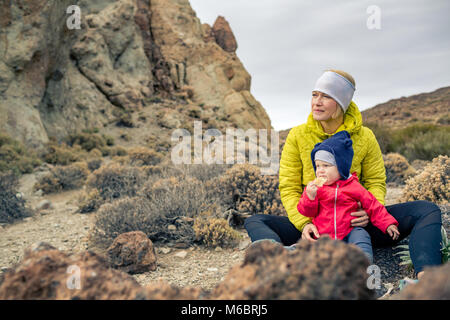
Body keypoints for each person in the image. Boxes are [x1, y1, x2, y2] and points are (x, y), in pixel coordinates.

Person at [244, 69, 442, 280]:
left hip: (356, 225)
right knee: (256, 221)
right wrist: (305, 224)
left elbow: (376, 182)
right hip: (317, 228)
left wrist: (368, 212)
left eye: (326, 96)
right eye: (314, 94)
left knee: (427, 210)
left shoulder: (365, 137)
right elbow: (289, 187)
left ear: (341, 102)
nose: (316, 102)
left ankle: (427, 279)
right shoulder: (297, 135)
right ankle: (275, 263)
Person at [297, 130, 400, 263]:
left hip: (349, 231)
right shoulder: (315, 189)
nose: (320, 170)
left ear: (341, 167)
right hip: (323, 234)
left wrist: (388, 224)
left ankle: (363, 262)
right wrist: (310, 197)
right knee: (310, 246)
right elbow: (306, 212)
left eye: (326, 165)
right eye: (317, 166)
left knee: (361, 236)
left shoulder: (354, 186)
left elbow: (373, 205)